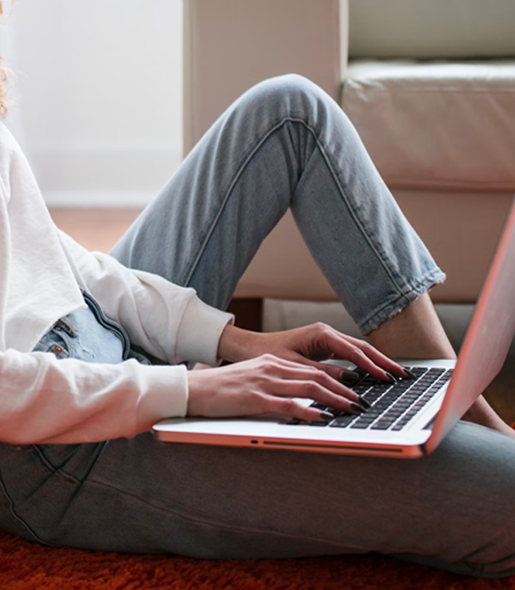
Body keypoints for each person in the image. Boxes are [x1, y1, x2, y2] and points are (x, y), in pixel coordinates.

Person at [0, 9, 515, 578]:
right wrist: (190, 388)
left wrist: (231, 341)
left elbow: (52, 255)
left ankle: (459, 409)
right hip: (53, 446)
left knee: (289, 109)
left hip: (96, 332)